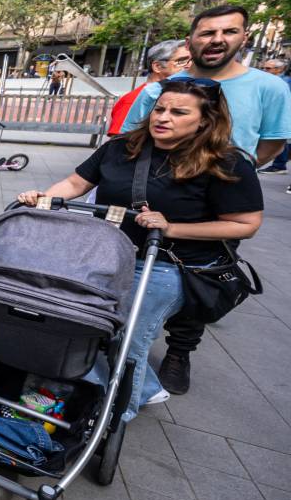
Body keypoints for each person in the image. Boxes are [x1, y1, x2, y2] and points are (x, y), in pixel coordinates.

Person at [19, 78, 263, 420]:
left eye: (178, 112)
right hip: (109, 255)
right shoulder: (123, 148)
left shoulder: (227, 163)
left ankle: (111, 415)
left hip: (170, 265)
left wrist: (172, 227)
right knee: (67, 314)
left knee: (125, 333)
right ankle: (143, 387)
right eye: (160, 109)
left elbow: (245, 224)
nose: (163, 118)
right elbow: (77, 183)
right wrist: (44, 196)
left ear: (205, 121)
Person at [122, 5, 291, 394]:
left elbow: (270, 145)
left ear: (243, 38)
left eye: (228, 32)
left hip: (218, 203)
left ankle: (180, 352)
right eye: (207, 33)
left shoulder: (269, 88)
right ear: (191, 40)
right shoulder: (158, 90)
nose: (217, 40)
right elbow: (130, 140)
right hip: (150, 198)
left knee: (198, 275)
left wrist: (225, 176)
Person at [108, 40, 191, 136]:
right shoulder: (134, 99)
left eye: (191, 61)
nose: (189, 65)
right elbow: (119, 141)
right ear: (157, 66)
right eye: (181, 61)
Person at [257, 57, 291, 174]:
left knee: (279, 137)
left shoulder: (284, 82)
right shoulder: (270, 80)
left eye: (268, 68)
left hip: (281, 115)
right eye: (263, 68)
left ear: (279, 69)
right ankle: (279, 164)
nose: (264, 70)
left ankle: (279, 165)